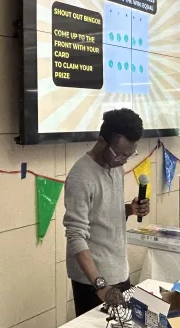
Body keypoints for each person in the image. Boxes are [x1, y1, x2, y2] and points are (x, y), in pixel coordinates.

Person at [63, 108, 150, 317]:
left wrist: (130, 209)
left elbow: (103, 214)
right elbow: (75, 235)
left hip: (120, 270)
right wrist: (100, 285)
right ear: (102, 141)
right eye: (119, 153)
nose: (123, 160)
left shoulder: (115, 166)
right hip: (93, 281)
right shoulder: (81, 177)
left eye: (129, 155)